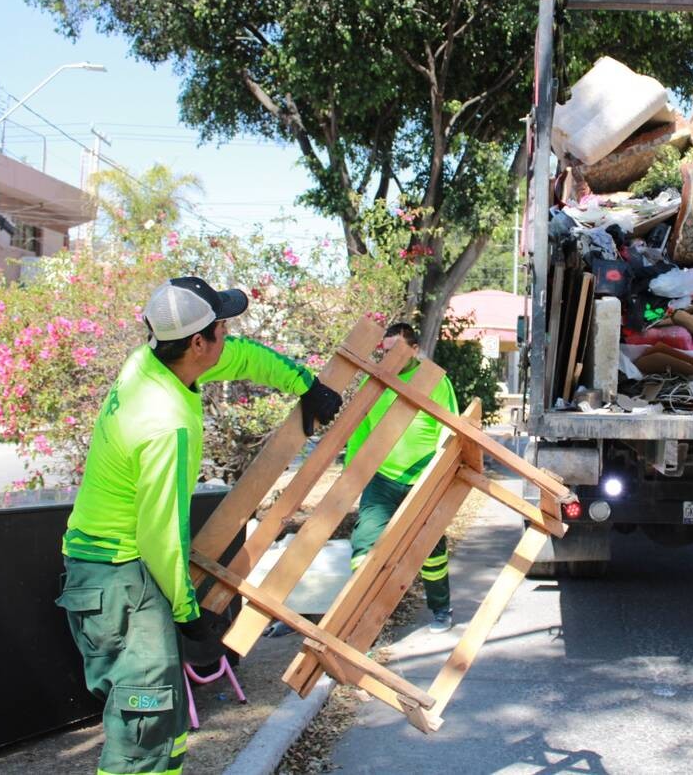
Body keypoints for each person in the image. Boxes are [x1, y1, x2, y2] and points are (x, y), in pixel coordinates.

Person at [55, 276, 342, 775]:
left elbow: (245, 357)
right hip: (121, 576)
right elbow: (160, 533)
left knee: (161, 722)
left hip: (111, 571)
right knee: (143, 724)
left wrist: (307, 384)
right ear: (196, 342)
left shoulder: (152, 364)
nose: (227, 336)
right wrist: (189, 614)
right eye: (222, 328)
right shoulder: (166, 422)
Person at [345, 322, 459, 633]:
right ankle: (361, 616)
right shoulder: (375, 382)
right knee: (364, 542)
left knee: (430, 548)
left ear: (413, 348)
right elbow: (361, 431)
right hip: (382, 479)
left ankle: (440, 609)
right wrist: (351, 476)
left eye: (395, 351)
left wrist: (439, 472)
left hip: (423, 477)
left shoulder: (433, 380)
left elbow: (448, 427)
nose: (389, 359)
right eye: (384, 353)